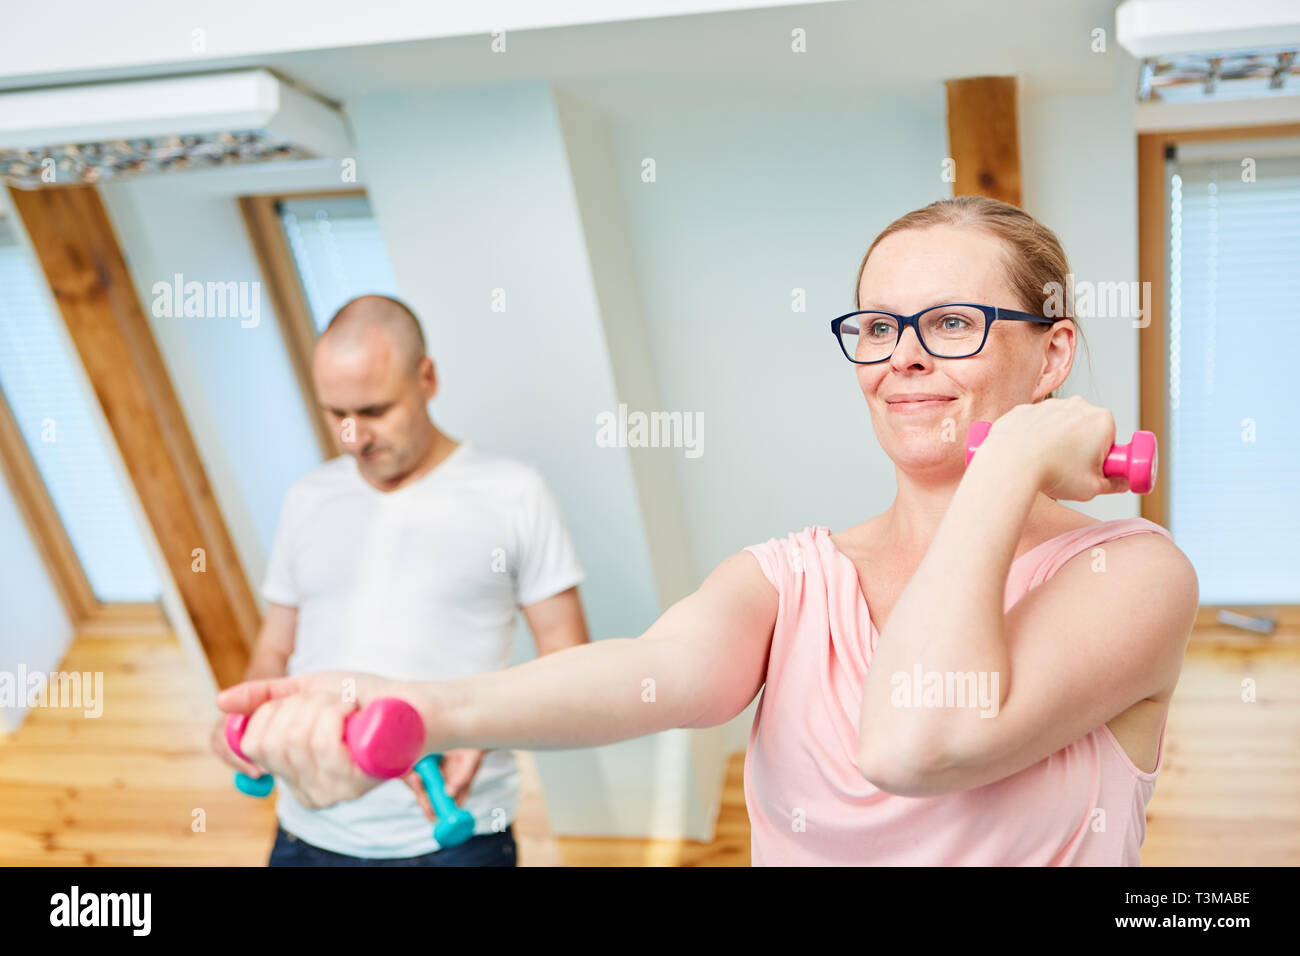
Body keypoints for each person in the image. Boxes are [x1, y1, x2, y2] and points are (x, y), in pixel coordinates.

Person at [216, 198, 1199, 866]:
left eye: (950, 324)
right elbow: (647, 670)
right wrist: (423, 707)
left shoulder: (1133, 574)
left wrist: (1011, 465)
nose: (901, 358)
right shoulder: (792, 578)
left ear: (1050, 355)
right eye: (876, 327)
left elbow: (913, 741)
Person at [209, 294, 590, 866]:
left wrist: (477, 731)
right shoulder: (308, 498)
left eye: (374, 410)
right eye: (335, 414)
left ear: (427, 378)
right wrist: (243, 725)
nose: (353, 436)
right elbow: (276, 646)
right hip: (307, 833)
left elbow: (569, 660)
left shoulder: (514, 493)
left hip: (453, 837)